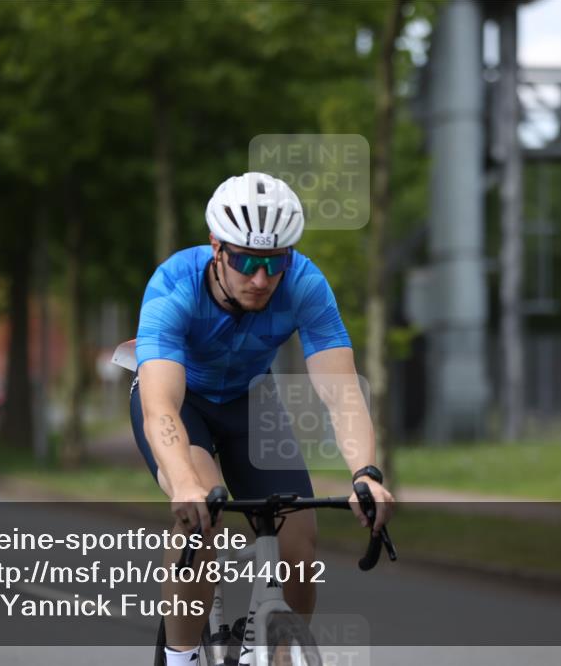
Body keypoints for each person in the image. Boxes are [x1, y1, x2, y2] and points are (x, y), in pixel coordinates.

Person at [130, 172, 395, 664]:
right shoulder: (174, 284)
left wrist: (365, 473)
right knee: (200, 517)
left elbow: (342, 393)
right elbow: (160, 405)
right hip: (183, 403)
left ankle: (279, 656)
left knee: (300, 544)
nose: (260, 278)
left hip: (250, 401)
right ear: (216, 247)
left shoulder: (305, 284)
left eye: (275, 263)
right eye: (246, 261)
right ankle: (181, 657)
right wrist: (184, 483)